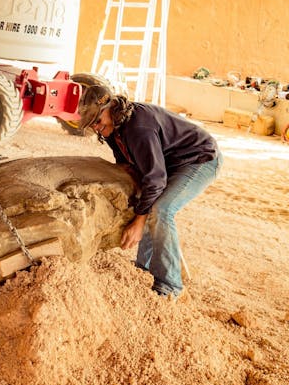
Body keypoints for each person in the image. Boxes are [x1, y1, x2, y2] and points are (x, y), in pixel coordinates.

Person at [77, 79, 222, 298]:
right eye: (92, 125)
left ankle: (170, 286)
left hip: (199, 159)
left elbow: (155, 180)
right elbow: (127, 166)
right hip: (169, 163)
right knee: (144, 201)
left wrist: (139, 221)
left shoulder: (139, 128)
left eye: (97, 120)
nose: (96, 127)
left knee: (161, 210)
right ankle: (143, 270)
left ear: (112, 108)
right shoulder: (112, 128)